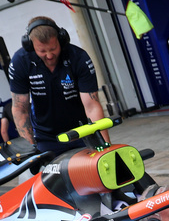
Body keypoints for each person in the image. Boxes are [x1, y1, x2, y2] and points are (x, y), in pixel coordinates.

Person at [8, 17, 107, 152]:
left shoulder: (78, 57)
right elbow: (20, 109)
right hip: (46, 137)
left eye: (53, 48)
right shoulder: (20, 61)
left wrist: (104, 145)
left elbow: (92, 106)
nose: (49, 55)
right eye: (42, 51)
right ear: (30, 46)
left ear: (61, 40)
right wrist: (31, 149)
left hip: (83, 132)